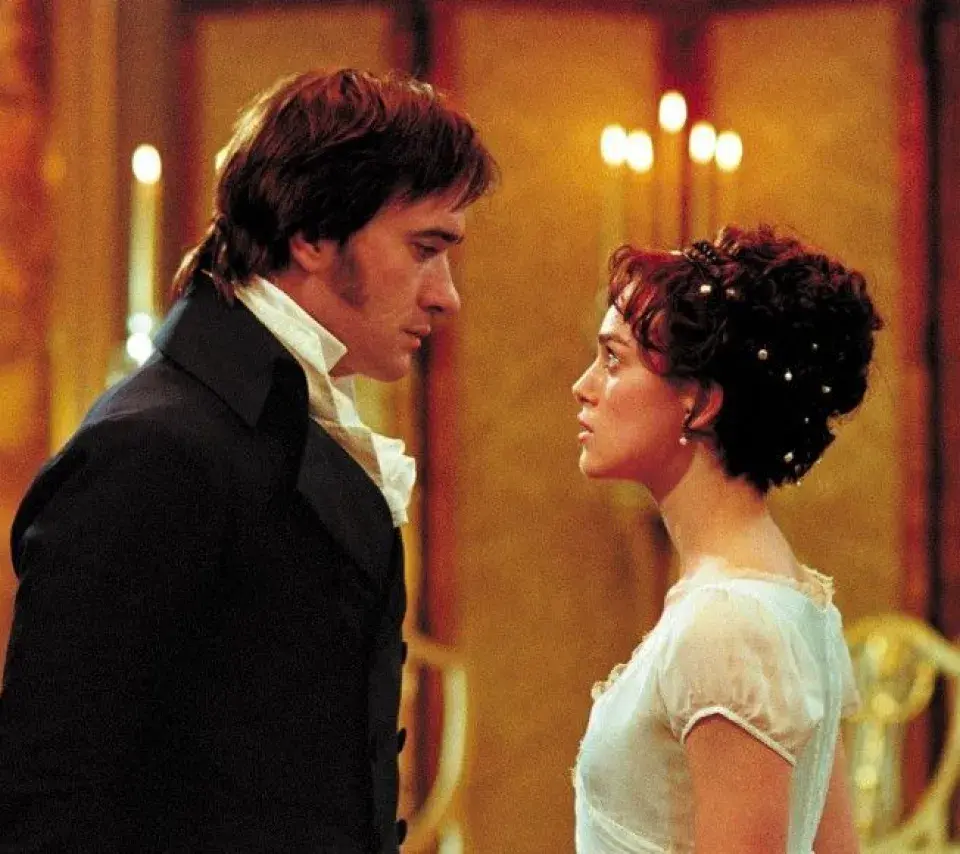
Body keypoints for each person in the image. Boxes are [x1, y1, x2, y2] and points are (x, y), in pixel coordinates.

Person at [0, 68, 495, 853]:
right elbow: (54, 799)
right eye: (423, 249)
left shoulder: (274, 425)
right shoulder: (155, 446)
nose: (446, 295)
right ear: (312, 234)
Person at [571, 225, 880, 854]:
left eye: (613, 359)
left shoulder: (729, 624)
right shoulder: (776, 597)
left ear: (700, 402)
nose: (584, 385)